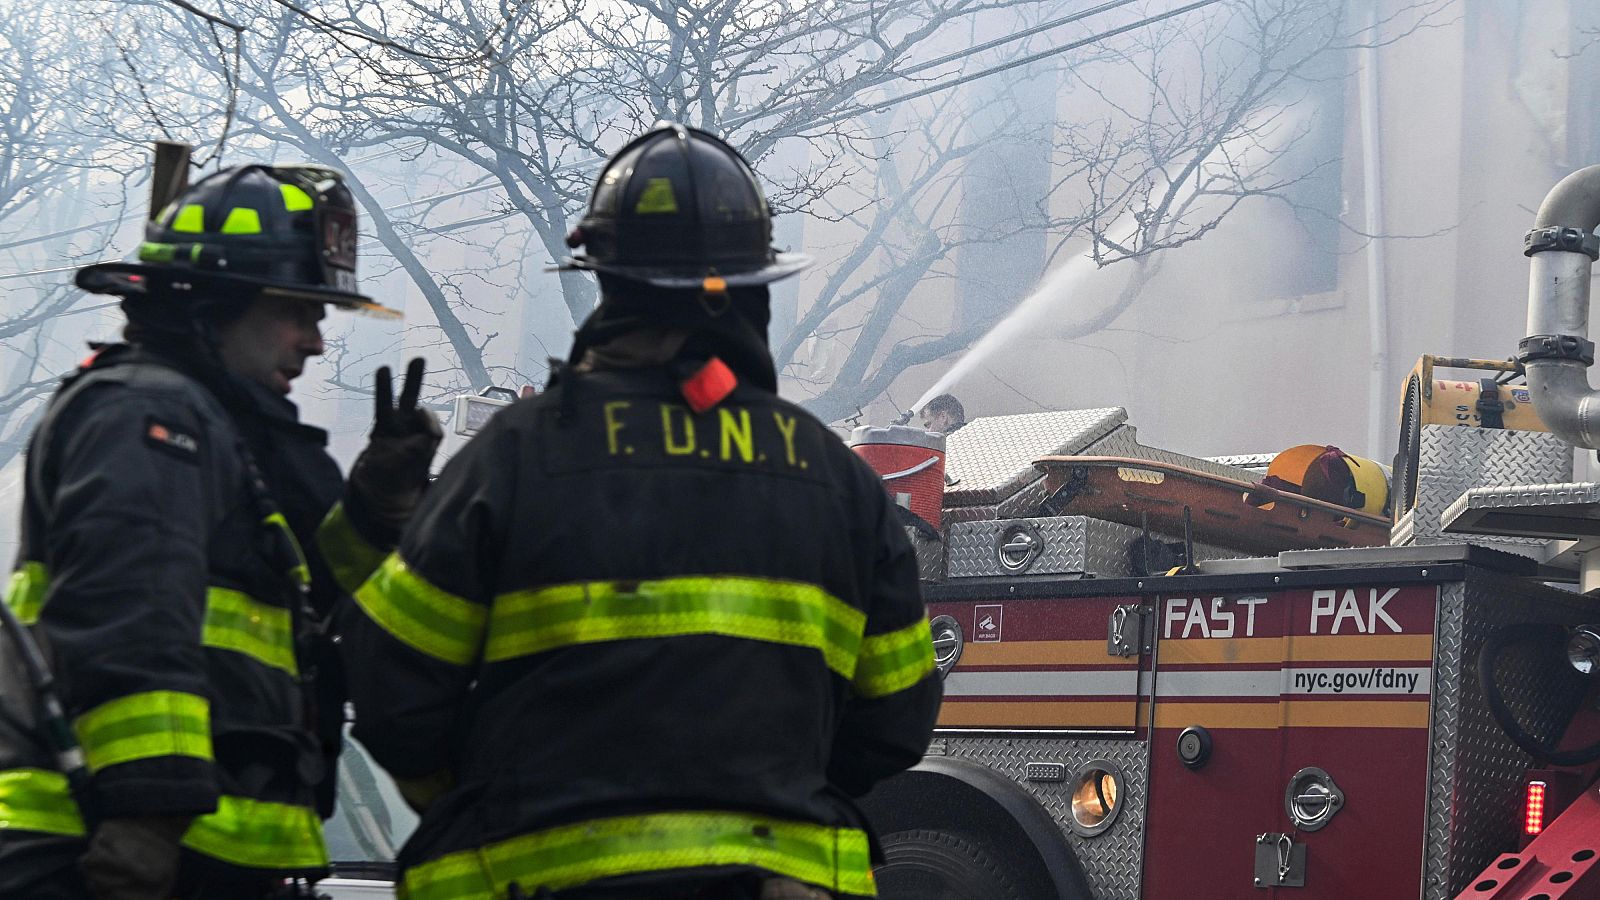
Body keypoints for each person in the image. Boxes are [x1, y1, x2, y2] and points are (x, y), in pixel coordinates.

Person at [340, 121, 942, 900]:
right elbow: (896, 716)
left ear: (606, 285)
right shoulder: (836, 477)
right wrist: (771, 789)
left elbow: (391, 694)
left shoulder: (514, 457)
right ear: (750, 291)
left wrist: (493, 787)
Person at [0, 160, 440, 899]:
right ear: (215, 306)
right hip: (108, 849)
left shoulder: (224, 433)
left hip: (198, 853)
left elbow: (309, 610)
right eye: (296, 313)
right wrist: (148, 816)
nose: (315, 343)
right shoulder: (147, 418)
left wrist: (375, 508)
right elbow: (130, 616)